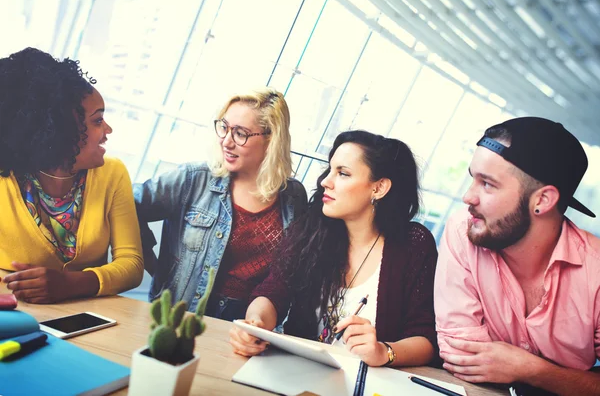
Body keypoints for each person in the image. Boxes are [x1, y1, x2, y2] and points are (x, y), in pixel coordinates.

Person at [230, 130, 438, 367]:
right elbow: (273, 290)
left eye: (343, 173)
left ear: (379, 188)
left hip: (367, 383)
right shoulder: (313, 227)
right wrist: (255, 324)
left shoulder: (413, 244)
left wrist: (385, 351)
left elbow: (426, 338)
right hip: (297, 373)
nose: (325, 182)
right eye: (330, 170)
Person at [435, 117, 600, 395]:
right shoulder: (464, 230)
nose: (468, 197)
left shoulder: (594, 270)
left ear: (543, 200)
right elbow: (462, 358)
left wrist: (531, 370)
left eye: (487, 184)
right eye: (473, 178)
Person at [134, 88, 307, 319]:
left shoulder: (293, 196)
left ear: (270, 139)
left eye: (240, 133)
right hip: (181, 317)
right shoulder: (193, 179)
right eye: (224, 127)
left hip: (246, 326)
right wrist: (153, 265)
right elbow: (126, 204)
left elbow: (287, 273)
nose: (226, 141)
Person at [0, 47, 144, 303]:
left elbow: (132, 265)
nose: (108, 129)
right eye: (97, 121)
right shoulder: (5, 177)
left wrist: (70, 284)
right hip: (14, 315)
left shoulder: (113, 173)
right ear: (61, 129)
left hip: (86, 320)